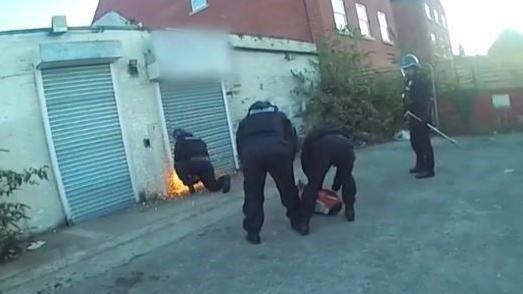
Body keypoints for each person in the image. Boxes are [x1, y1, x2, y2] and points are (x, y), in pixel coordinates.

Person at [236, 101, 306, 244]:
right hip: (278, 153)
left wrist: (245, 162)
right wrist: (289, 157)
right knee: (288, 189)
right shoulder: (280, 117)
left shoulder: (245, 122)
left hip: (252, 157)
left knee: (253, 194)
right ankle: (298, 222)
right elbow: (292, 137)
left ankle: (253, 233)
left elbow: (240, 143)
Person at [299, 125, 357, 234]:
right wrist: (336, 186)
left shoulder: (312, 138)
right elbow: (341, 172)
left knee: (313, 186)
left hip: (323, 149)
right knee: (347, 177)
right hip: (345, 147)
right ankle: (350, 211)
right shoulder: (340, 132)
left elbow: (305, 160)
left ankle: (304, 222)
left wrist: (312, 178)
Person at [401, 54, 435, 179]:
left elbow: (427, 100)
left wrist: (426, 117)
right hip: (413, 116)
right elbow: (406, 99)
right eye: (405, 69)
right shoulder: (408, 82)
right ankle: (420, 165)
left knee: (424, 144)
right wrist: (405, 112)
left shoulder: (422, 81)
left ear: (415, 68)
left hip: (422, 117)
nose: (406, 71)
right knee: (415, 142)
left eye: (408, 69)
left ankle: (429, 169)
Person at [173, 129, 231, 194]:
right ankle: (224, 179)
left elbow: (177, 158)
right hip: (206, 164)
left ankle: (191, 184)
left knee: (177, 164)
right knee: (213, 187)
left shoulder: (180, 141)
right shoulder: (199, 140)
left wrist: (187, 176)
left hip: (193, 165)